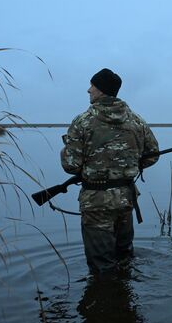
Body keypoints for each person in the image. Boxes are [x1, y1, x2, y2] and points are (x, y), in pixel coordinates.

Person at [61, 68, 159, 275]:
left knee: (101, 266)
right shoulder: (137, 120)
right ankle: (125, 299)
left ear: (102, 90)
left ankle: (105, 301)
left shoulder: (82, 121)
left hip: (96, 202)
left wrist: (70, 152)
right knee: (124, 257)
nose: (89, 90)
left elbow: (70, 165)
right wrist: (127, 167)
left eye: (93, 86)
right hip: (126, 199)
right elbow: (152, 154)